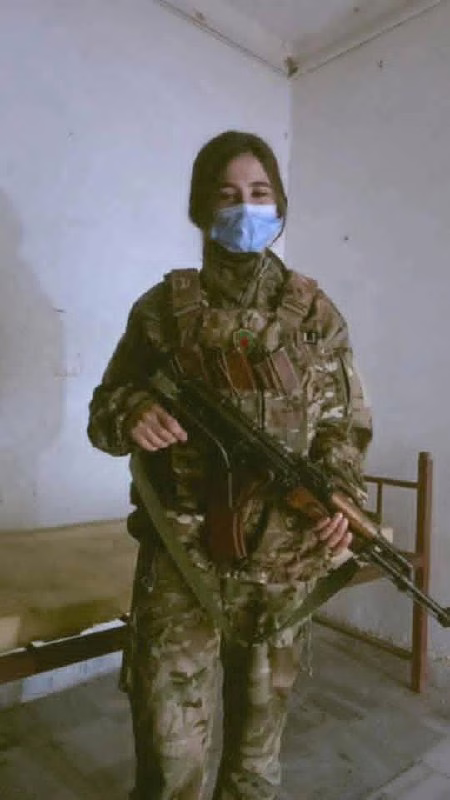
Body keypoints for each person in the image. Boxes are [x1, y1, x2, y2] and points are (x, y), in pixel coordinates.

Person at [87, 130, 372, 800]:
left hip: (284, 567)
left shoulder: (315, 314)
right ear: (200, 209)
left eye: (260, 193)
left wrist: (337, 495)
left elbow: (346, 426)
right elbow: (103, 412)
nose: (245, 208)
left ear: (280, 206)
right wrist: (130, 412)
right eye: (227, 195)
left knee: (255, 763)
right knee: (171, 757)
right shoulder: (161, 311)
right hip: (181, 562)